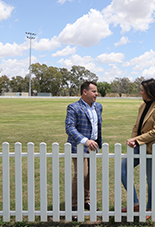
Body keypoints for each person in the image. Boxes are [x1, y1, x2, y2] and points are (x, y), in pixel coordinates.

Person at [121, 78, 155, 219]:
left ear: (149, 91)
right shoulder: (142, 105)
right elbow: (137, 126)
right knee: (123, 168)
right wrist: (134, 140)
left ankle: (150, 209)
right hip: (139, 146)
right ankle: (136, 204)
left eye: (142, 90)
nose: (140, 92)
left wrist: (137, 139)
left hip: (153, 148)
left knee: (150, 180)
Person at [65, 81, 102, 221]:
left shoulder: (98, 107)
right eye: (93, 91)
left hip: (93, 147)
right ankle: (74, 206)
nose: (96, 94)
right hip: (79, 146)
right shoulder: (74, 107)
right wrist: (84, 140)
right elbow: (69, 127)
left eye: (96, 91)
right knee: (82, 174)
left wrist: (96, 141)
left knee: (90, 175)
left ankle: (86, 200)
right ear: (85, 92)